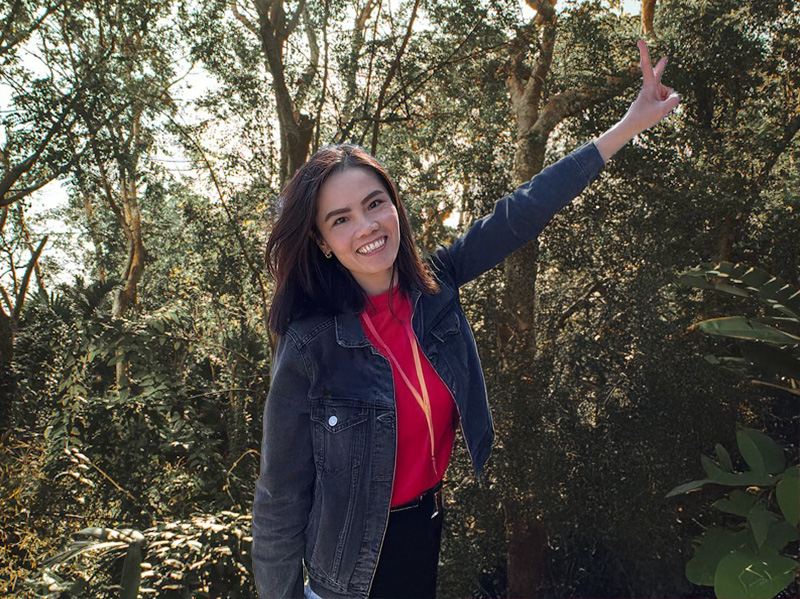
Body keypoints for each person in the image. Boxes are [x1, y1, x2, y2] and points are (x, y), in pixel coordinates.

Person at [253, 40, 680, 599]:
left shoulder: (437, 282)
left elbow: (521, 211)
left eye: (375, 203)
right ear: (323, 241)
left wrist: (628, 124)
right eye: (341, 219)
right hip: (347, 567)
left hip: (424, 530)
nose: (367, 226)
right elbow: (280, 496)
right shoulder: (311, 344)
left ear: (396, 206)